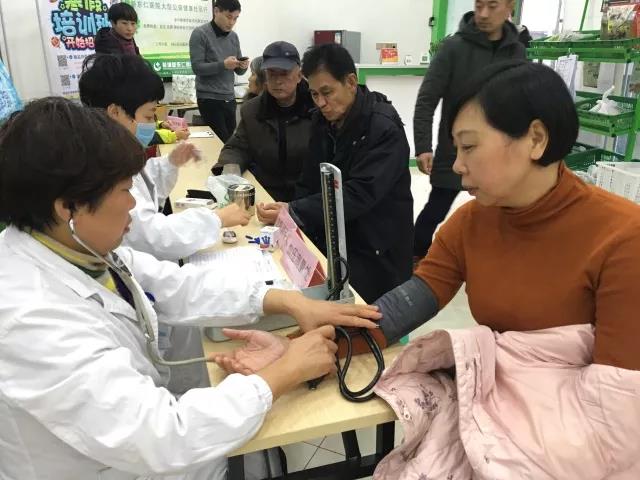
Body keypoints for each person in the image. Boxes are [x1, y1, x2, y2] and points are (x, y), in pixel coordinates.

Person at [217, 61, 640, 477]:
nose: (456, 165)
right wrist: (296, 348)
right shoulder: (471, 223)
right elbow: (403, 307)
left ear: (535, 139)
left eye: (469, 147)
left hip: (567, 444)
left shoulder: (622, 238)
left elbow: (614, 413)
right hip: (498, 415)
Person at [0, 97, 383, 479]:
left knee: (252, 447)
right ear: (68, 207)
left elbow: (177, 286)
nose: (133, 206)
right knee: (248, 453)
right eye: (124, 191)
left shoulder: (75, 248)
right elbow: (162, 435)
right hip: (113, 465)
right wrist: (283, 373)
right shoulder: (28, 317)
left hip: (131, 450)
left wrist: (286, 300)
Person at [257, 44, 414, 303]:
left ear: (350, 82)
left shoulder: (383, 128)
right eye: (314, 94)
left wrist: (296, 210)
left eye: (327, 92)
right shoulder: (323, 120)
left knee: (361, 316)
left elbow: (359, 194)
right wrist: (290, 221)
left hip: (376, 249)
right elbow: (309, 178)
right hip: (337, 239)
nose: (320, 102)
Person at [79, 53, 248, 262]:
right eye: (148, 116)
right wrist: (216, 219)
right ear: (115, 112)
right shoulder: (104, 170)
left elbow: (142, 183)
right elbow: (154, 237)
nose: (152, 125)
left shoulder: (113, 153)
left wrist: (170, 163)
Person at [412, 0, 526, 259]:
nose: (483, 14)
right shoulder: (454, 48)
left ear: (509, 7)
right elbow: (427, 99)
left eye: (492, 6)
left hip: (499, 152)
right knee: (436, 210)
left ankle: (490, 262)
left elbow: (520, 102)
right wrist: (423, 146)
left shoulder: (516, 52)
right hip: (455, 150)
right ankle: (414, 258)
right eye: (479, 5)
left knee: (499, 214)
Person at [218, 41, 314, 202]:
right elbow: (237, 147)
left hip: (308, 197)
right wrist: (229, 171)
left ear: (299, 75)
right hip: (266, 194)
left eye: (284, 73)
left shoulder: (317, 108)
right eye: (272, 74)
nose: (278, 81)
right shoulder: (252, 111)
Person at [189, 0, 248, 142]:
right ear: (216, 11)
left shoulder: (233, 37)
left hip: (230, 97)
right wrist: (223, 65)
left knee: (230, 142)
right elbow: (197, 68)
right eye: (228, 17)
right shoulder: (200, 33)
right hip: (209, 98)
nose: (232, 22)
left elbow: (238, 72)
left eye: (235, 18)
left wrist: (242, 66)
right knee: (221, 142)